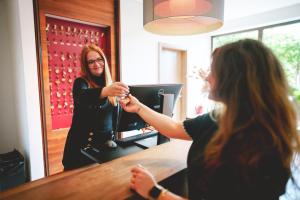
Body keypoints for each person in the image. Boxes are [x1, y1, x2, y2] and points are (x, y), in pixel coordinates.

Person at [120, 39, 300, 200]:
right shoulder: (218, 119)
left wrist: (155, 192)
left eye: (214, 70)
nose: (207, 76)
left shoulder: (264, 146)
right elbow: (174, 127)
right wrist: (139, 107)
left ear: (236, 79)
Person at [63, 44, 129, 170]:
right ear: (86, 65)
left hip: (106, 149)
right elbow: (82, 96)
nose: (96, 64)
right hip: (81, 150)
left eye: (99, 59)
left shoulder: (110, 85)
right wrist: (106, 91)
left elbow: (114, 118)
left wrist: (140, 119)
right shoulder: (81, 83)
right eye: (91, 61)